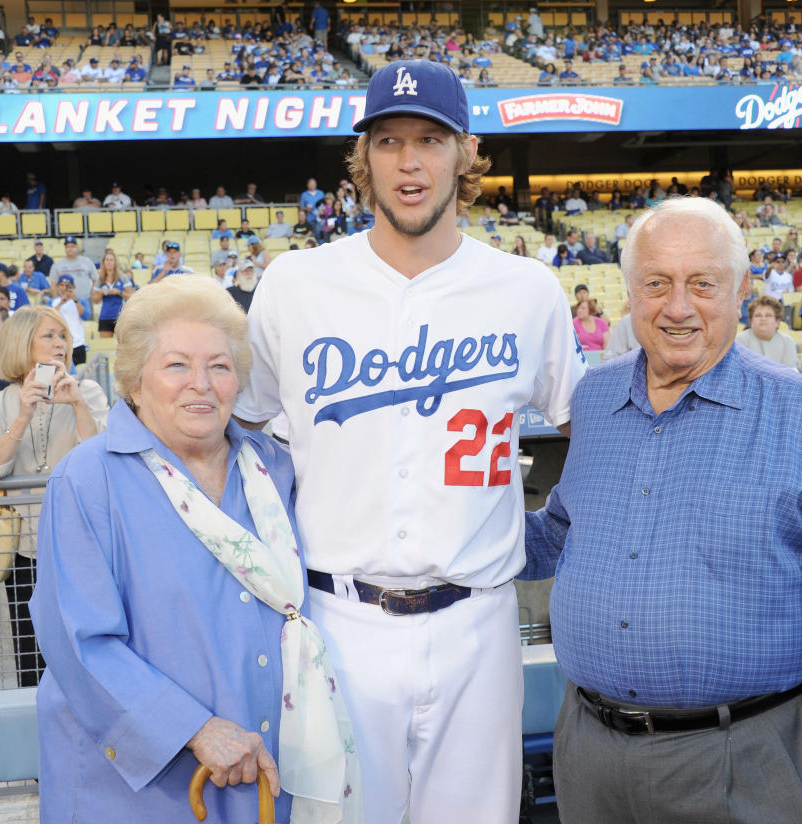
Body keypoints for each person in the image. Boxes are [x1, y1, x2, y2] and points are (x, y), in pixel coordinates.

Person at [233, 59, 586, 824]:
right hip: (337, 619)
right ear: (363, 162)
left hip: (480, 622)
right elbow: (242, 429)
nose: (410, 161)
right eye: (388, 141)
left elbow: (587, 426)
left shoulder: (527, 291)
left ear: (465, 153)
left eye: (430, 138)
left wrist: (558, 530)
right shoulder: (296, 283)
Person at [522, 198, 802, 824]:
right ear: (630, 292)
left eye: (702, 284)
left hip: (755, 768)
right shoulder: (597, 400)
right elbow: (558, 530)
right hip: (592, 760)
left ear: (741, 290)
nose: (678, 307)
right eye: (656, 283)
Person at [29, 277, 359, 823]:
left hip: (265, 771)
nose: (201, 385)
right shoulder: (88, 480)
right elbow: (80, 643)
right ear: (135, 382)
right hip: (146, 792)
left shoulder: (271, 468)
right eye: (177, 365)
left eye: (220, 367)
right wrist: (194, 729)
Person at [0, 306, 109, 687]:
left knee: (85, 643)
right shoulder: (4, 400)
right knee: (30, 648)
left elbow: (100, 461)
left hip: (79, 541)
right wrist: (23, 415)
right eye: (49, 335)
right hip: (23, 548)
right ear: (22, 342)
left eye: (63, 335)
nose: (61, 344)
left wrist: (78, 404)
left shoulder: (88, 391)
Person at [736, 295, 797, 368]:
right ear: (751, 321)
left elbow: (790, 373)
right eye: (758, 315)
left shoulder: (787, 342)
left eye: (768, 315)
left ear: (777, 321)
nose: (763, 319)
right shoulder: (741, 340)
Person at [91, 247, 136, 337]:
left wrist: (118, 292)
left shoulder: (123, 277)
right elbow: (95, 300)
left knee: (123, 347)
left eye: (111, 260)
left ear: (115, 262)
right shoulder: (100, 279)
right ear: (103, 262)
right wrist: (101, 293)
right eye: (107, 260)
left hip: (120, 317)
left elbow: (131, 296)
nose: (109, 262)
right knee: (105, 346)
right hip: (105, 316)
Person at [50, 275, 87, 365]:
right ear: (58, 286)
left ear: (73, 286)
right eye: (62, 285)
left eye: (67, 285)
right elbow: (50, 317)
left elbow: (85, 316)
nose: (64, 288)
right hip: (60, 344)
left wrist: (74, 299)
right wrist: (62, 302)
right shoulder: (53, 302)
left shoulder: (81, 301)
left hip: (78, 343)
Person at [49, 236, 97, 302]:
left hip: (85, 300)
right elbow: (53, 285)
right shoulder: (57, 265)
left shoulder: (87, 261)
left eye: (72, 246)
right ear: (65, 249)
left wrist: (93, 291)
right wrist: (57, 300)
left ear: (77, 247)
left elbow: (96, 279)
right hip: (66, 302)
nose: (70, 249)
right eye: (67, 247)